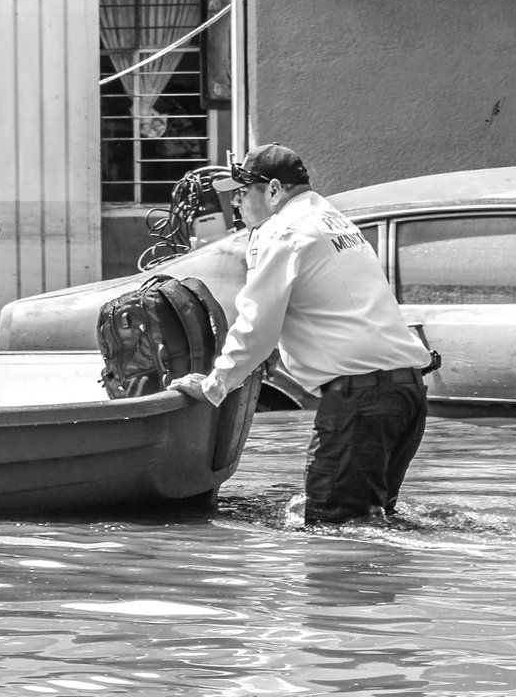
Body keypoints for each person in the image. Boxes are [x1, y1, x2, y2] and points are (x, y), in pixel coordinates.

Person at [168, 143, 432, 525]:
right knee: (373, 523)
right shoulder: (333, 220)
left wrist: (214, 386)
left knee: (331, 530)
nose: (237, 205)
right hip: (405, 394)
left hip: (362, 400)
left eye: (242, 193)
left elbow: (257, 327)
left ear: (274, 190)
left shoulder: (282, 231)